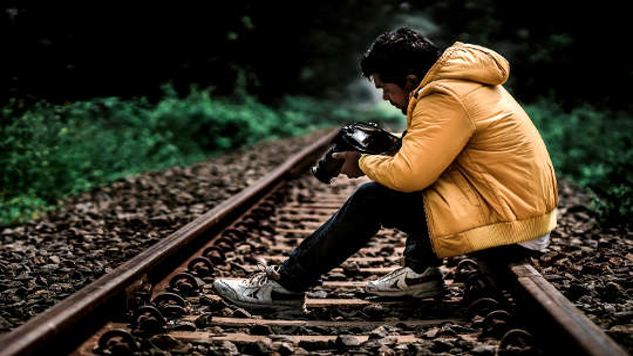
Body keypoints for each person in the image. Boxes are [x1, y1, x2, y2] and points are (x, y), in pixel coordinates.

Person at [213, 27, 559, 311]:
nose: (384, 99)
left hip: (507, 227)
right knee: (415, 177)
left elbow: (411, 176)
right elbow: (436, 156)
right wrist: (389, 145)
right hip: (518, 217)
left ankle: (284, 288)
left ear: (410, 81)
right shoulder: (463, 83)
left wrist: (363, 162)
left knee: (373, 198)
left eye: (386, 89)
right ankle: (420, 274)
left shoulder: (444, 96)